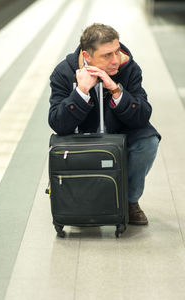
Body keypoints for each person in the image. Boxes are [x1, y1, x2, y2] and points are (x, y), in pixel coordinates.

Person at [48, 23, 161, 225]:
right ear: (87, 56)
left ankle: (129, 201)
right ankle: (84, 200)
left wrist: (116, 91)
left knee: (148, 141)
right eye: (107, 55)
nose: (115, 60)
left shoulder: (129, 69)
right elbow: (58, 123)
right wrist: (81, 92)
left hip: (122, 129)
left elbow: (143, 115)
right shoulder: (63, 73)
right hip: (82, 133)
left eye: (117, 52)